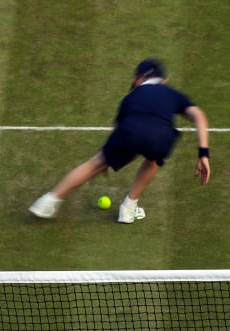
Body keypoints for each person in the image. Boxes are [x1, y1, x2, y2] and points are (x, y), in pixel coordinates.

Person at [29, 58, 211, 224]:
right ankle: (129, 208)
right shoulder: (172, 93)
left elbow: (117, 129)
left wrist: (107, 160)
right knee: (154, 159)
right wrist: (203, 153)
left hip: (129, 131)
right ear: (163, 79)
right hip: (160, 137)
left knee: (96, 162)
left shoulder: (129, 98)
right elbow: (198, 116)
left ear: (139, 78)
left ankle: (48, 201)